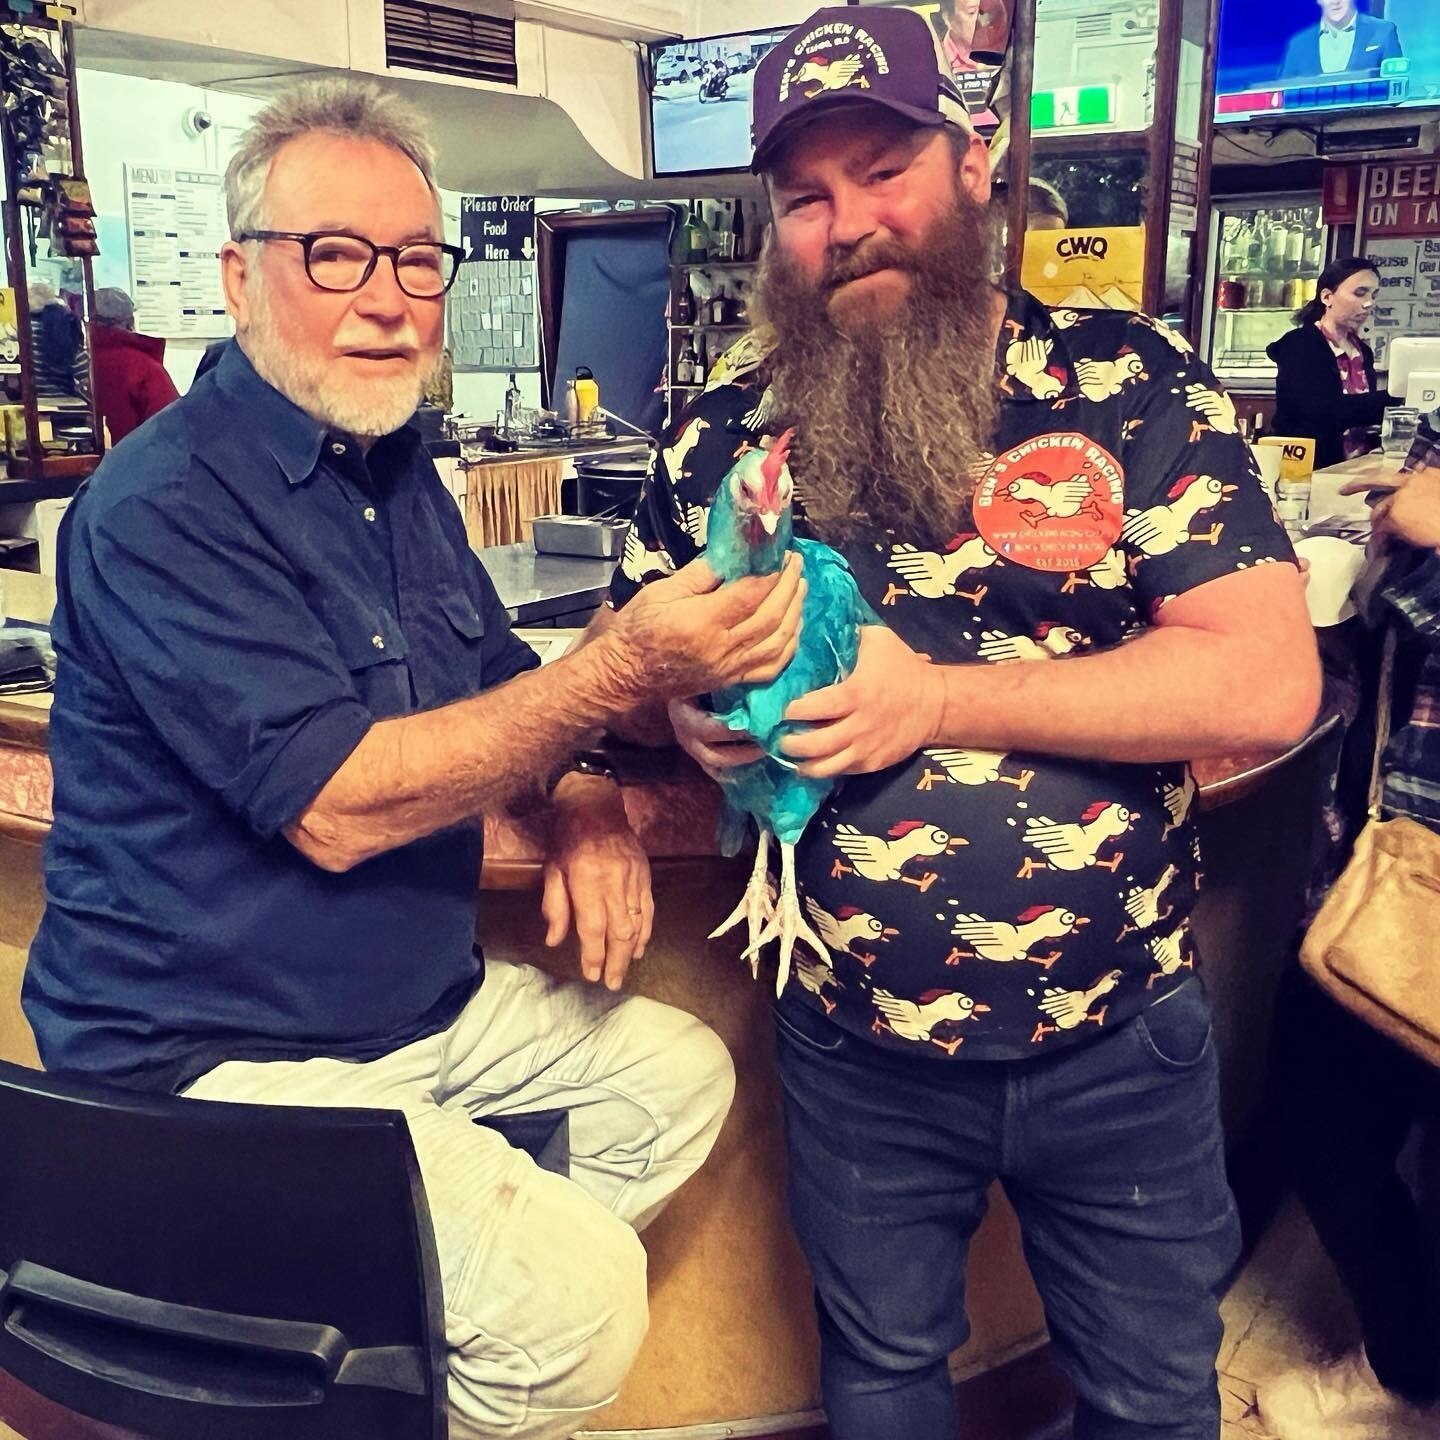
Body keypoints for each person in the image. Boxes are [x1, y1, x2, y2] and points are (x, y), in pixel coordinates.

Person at [23, 78, 808, 1440]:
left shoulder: (389, 466)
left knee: (675, 1078)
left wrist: (582, 797)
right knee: (580, 1306)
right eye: (334, 253)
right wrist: (620, 671)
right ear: (241, 275)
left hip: (415, 1014)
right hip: (220, 1062)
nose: (386, 298)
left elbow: (500, 678)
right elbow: (338, 809)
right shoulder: (161, 508)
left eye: (414, 259)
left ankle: (362, 1355)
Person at [598, 8, 1321, 1438]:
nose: (848, 224)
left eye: (883, 170)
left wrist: (935, 699)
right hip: (851, 1044)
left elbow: (1263, 681)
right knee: (878, 1387)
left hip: (1119, 1034)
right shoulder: (721, 432)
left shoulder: (1133, 386)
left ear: (974, 162)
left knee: (1153, 1402)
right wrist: (688, 717)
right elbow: (626, 664)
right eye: (805, 197)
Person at [1256, 456, 1440, 1440]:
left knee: (1330, 1120)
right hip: (1384, 869)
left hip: (1410, 889)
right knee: (1329, 1121)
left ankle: (1408, 1376)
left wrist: (1410, 532)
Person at [1268, 257, 1398, 471]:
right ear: (1327, 297)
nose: (1369, 303)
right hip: (1307, 470)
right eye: (1360, 293)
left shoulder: (1361, 351)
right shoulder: (1301, 345)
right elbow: (1321, 410)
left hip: (1354, 469)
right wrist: (1394, 400)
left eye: (1373, 295)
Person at [89, 285, 180, 443]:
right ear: (128, 322)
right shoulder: (144, 367)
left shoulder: (80, 360)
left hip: (80, 460)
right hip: (134, 462)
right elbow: (172, 427)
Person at [1279, 0, 1402, 82]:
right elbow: (1284, 96)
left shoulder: (1383, 31)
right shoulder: (1299, 45)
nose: (1335, 2)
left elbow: (1396, 85)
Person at [27, 280, 88, 401]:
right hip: (65, 407)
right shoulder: (62, 328)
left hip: (27, 407)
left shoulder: (18, 331)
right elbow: (86, 374)